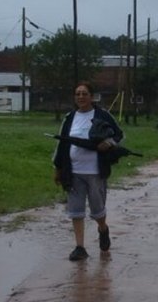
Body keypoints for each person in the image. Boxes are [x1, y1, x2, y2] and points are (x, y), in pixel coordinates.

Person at [53, 81, 123, 261]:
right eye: (77, 94)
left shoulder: (102, 115)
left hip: (95, 171)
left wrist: (108, 143)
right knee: (75, 209)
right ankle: (80, 247)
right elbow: (62, 143)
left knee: (97, 208)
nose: (81, 97)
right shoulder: (69, 118)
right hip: (73, 171)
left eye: (84, 94)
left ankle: (102, 228)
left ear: (91, 96)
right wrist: (58, 168)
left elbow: (118, 134)